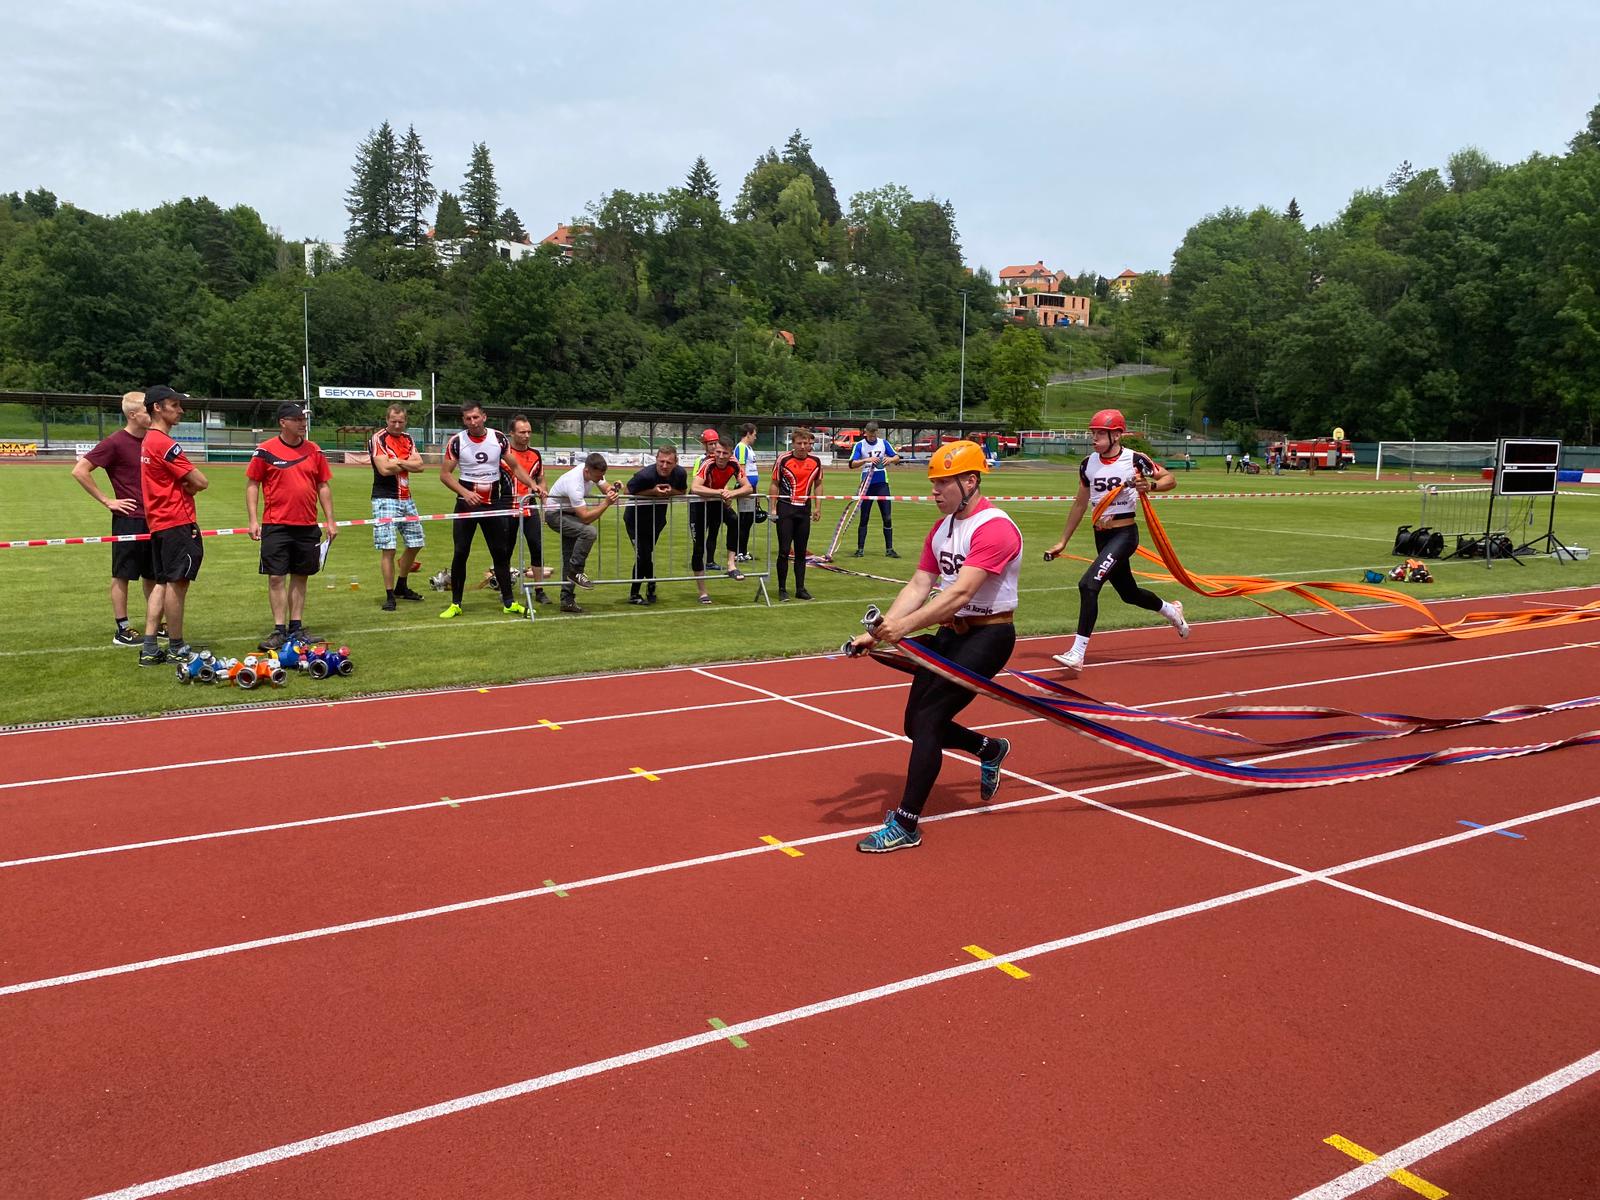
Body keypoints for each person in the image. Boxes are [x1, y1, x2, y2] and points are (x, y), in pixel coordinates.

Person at [850, 440, 1022, 853]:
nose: (934, 492)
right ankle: (989, 748)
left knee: (927, 720)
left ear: (970, 481)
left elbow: (959, 594)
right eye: (933, 484)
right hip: (950, 634)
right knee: (915, 724)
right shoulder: (942, 528)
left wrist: (903, 628)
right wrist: (877, 633)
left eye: (942, 483)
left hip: (988, 636)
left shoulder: (995, 528)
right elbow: (920, 584)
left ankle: (907, 822)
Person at [1044, 408, 1189, 675]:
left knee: (1088, 585)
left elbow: (1170, 479)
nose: (1094, 438)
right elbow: (1079, 503)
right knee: (1129, 594)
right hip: (1102, 536)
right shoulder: (1088, 464)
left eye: (1101, 433)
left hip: (1125, 535)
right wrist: (1062, 541)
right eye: (1094, 433)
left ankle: (1077, 653)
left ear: (1117, 435)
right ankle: (1171, 610)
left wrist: (1151, 486)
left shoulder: (1135, 459)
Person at [245, 402, 337, 650]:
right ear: (283, 422)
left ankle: (296, 627)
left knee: (301, 576)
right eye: (297, 419)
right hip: (276, 525)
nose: (302, 423)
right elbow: (253, 484)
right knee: (276, 577)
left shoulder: (314, 451)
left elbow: (323, 486)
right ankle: (278, 630)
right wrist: (253, 519)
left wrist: (330, 519)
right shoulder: (265, 451)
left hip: (307, 524)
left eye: (304, 418)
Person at [437, 400, 538, 619]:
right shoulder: (457, 441)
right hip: (466, 504)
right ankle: (456, 603)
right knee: (461, 552)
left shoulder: (499, 438)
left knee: (500, 553)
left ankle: (509, 602)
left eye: (475, 417)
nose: (472, 422)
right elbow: (445, 474)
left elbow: (515, 467)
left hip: (493, 503)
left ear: (484, 417)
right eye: (467, 419)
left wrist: (532, 484)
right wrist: (465, 493)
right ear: (463, 420)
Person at [72, 390, 156, 646]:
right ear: (133, 414)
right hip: (129, 518)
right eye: (146, 410)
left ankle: (157, 623)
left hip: (156, 517)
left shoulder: (155, 440)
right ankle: (122, 628)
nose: (151, 413)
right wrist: (108, 500)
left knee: (153, 575)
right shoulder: (115, 442)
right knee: (123, 574)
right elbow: (80, 470)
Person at [137, 385, 209, 666]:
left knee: (162, 583)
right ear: (157, 407)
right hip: (177, 521)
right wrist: (190, 487)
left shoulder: (148, 440)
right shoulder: (164, 443)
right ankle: (177, 646)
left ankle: (150, 647)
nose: (180, 410)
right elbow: (201, 481)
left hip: (160, 522)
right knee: (177, 585)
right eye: (174, 405)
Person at [544, 452, 622, 613]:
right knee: (589, 532)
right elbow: (586, 518)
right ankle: (576, 571)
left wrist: (614, 489)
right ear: (587, 471)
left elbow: (606, 488)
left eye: (602, 475)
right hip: (555, 515)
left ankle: (567, 600)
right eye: (597, 476)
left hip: (569, 514)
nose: (599, 479)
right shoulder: (575, 483)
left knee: (569, 556)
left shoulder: (593, 472)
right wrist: (606, 503)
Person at [369, 402, 427, 612]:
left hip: (406, 498)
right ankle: (389, 594)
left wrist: (397, 461)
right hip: (385, 499)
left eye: (400, 421)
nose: (397, 424)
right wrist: (406, 462)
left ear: (405, 421)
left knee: (416, 541)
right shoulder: (378, 439)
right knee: (389, 548)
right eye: (393, 421)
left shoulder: (408, 439)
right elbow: (384, 469)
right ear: (387, 420)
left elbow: (420, 465)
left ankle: (402, 584)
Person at [689, 439, 752, 603]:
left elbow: (748, 487)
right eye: (718, 452)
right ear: (713, 452)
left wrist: (731, 494)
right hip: (698, 505)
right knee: (699, 547)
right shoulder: (708, 463)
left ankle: (731, 565)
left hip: (716, 501)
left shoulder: (734, 464)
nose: (721, 456)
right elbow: (695, 487)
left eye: (725, 453)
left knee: (733, 521)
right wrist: (720, 493)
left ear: (731, 453)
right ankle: (703, 592)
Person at [624, 444, 687, 605]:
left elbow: (682, 491)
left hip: (657, 521)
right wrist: (653, 492)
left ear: (676, 462)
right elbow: (626, 492)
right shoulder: (644, 475)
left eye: (669, 463)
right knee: (642, 555)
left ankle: (651, 585)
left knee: (646, 555)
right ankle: (635, 593)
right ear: (656, 460)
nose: (664, 466)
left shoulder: (680, 474)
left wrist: (668, 491)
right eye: (661, 462)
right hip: (635, 520)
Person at [768, 427, 823, 601]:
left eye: (805, 443)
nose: (802, 446)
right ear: (793, 443)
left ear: (809, 445)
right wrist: (773, 508)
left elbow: (819, 484)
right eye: (799, 443)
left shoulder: (815, 461)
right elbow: (774, 483)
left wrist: (817, 507)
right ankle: (782, 589)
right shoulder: (783, 459)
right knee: (784, 551)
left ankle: (800, 588)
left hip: (803, 510)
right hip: (785, 509)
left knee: (801, 552)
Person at [506, 414, 550, 605]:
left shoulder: (535, 454)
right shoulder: (504, 454)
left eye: (529, 432)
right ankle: (506, 589)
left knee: (536, 546)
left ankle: (539, 589)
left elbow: (540, 478)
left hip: (529, 507)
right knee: (505, 549)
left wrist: (544, 490)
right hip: (508, 507)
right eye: (522, 432)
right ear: (512, 433)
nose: (526, 435)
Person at [850, 420, 901, 557]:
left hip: (881, 483)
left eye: (874, 435)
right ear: (865, 432)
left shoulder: (883, 443)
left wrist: (890, 460)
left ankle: (889, 549)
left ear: (877, 433)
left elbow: (897, 457)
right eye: (869, 435)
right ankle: (860, 549)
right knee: (864, 517)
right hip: (867, 483)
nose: (872, 437)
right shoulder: (860, 445)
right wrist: (865, 460)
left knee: (887, 516)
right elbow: (852, 464)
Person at [731, 422, 760, 563]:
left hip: (751, 489)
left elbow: (753, 469)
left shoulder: (748, 448)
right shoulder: (741, 447)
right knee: (744, 520)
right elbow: (740, 469)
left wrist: (756, 492)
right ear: (748, 433)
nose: (755, 437)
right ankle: (738, 551)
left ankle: (743, 550)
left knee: (748, 520)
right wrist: (747, 487)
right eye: (754, 434)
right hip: (745, 488)